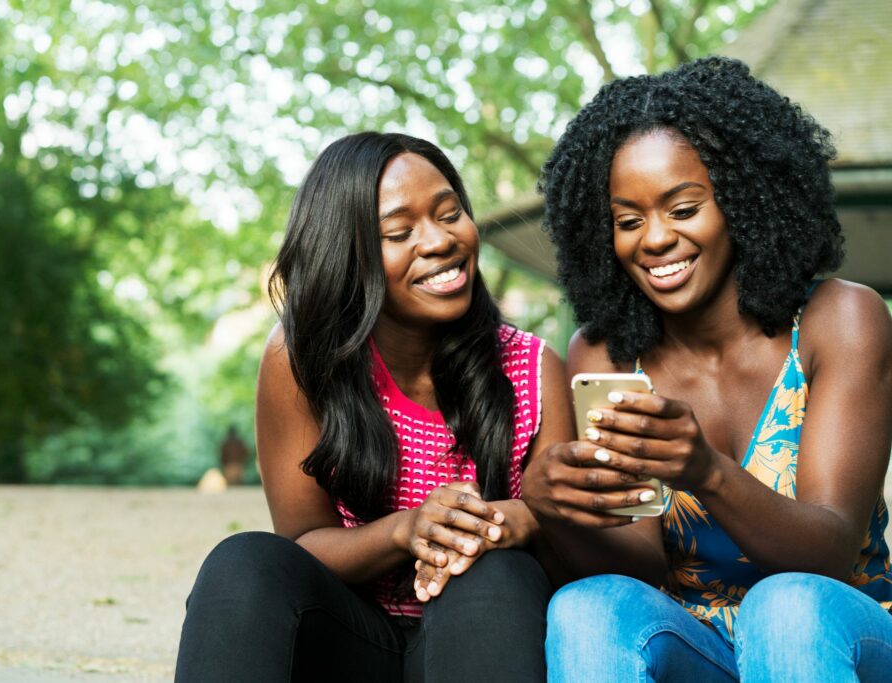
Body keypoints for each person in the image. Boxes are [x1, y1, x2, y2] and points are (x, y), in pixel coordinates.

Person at [523, 56, 892, 681]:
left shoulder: (842, 319)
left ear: (743, 201)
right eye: (629, 221)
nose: (655, 239)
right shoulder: (607, 354)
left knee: (787, 606)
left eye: (684, 208)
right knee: (587, 606)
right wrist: (550, 507)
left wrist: (706, 473)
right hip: (701, 645)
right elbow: (640, 569)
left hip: (838, 631)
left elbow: (828, 553)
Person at [175, 132, 574, 682]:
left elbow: (572, 536)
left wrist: (512, 521)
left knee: (496, 570)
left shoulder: (533, 369)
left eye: (450, 213)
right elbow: (302, 547)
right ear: (347, 252)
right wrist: (406, 530)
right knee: (244, 564)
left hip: (481, 637)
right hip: (353, 641)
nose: (439, 241)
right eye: (399, 232)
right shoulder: (301, 362)